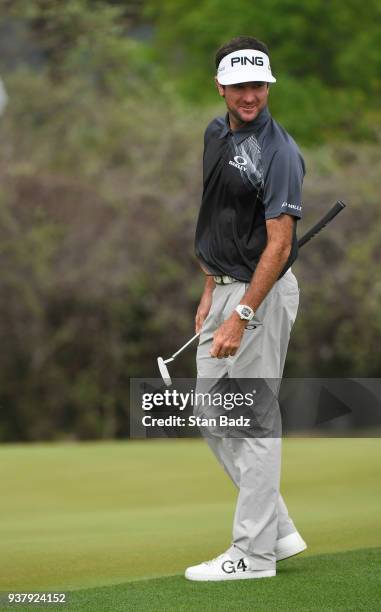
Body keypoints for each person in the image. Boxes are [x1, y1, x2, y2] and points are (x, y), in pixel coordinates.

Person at [185, 36, 307, 581]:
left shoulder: (279, 153)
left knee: (254, 419)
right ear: (221, 87)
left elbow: (278, 245)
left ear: (268, 85)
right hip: (224, 287)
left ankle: (254, 556)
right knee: (212, 411)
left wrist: (244, 313)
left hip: (261, 291)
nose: (250, 96)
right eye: (239, 86)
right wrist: (210, 285)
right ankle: (276, 529)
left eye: (258, 85)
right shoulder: (214, 133)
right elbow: (217, 217)